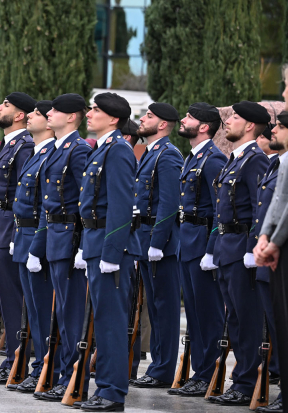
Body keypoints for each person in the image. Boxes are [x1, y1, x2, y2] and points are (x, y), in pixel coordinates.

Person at [77, 92, 141, 411]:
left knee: (112, 321)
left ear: (113, 119)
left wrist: (112, 253)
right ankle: (104, 388)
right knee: (103, 319)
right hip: (95, 240)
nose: (89, 114)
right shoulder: (102, 149)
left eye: (96, 110)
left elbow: (120, 206)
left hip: (109, 245)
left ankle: (112, 392)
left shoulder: (118, 151)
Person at [29, 93, 92, 400]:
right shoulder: (56, 149)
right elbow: (45, 204)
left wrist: (81, 245)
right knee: (62, 314)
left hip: (70, 239)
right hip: (55, 236)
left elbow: (85, 200)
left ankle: (71, 377)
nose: (48, 114)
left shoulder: (78, 149)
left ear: (71, 117)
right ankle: (61, 374)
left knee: (71, 314)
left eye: (55, 110)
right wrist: (37, 246)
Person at [208, 101, 270, 406]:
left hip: (241, 249)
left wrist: (251, 250)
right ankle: (242, 379)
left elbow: (260, 207)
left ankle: (246, 383)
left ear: (249, 126)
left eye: (233, 117)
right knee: (234, 319)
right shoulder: (235, 160)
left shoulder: (255, 161)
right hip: (225, 248)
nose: (227, 121)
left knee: (247, 321)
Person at [169, 102, 228, 396]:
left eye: (189, 117)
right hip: (187, 241)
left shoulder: (213, 160)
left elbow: (221, 209)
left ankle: (209, 374)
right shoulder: (193, 158)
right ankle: (200, 372)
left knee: (208, 313)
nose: (183, 119)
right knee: (193, 313)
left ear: (204, 126)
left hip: (202, 243)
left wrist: (212, 249)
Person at [0, 93, 35, 384]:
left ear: (19, 115)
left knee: (16, 299)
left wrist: (16, 232)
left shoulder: (24, 145)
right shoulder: (9, 145)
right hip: (1, 224)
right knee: (7, 298)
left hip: (12, 225)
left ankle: (18, 361)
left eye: (5, 105)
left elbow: (24, 194)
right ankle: (13, 359)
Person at [130, 103, 183, 388]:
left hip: (161, 243)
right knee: (155, 304)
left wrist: (158, 242)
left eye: (149, 116)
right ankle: (157, 368)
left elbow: (169, 203)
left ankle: (162, 370)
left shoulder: (168, 155)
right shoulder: (151, 153)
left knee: (165, 307)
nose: (142, 118)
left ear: (163, 124)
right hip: (147, 238)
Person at [11, 100, 56, 392]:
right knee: (33, 311)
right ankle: (39, 366)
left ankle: (45, 366)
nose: (30, 116)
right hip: (23, 235)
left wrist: (36, 248)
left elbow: (46, 207)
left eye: (38, 114)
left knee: (42, 310)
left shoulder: (51, 155)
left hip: (38, 239)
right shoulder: (34, 153)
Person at [251, 115, 288, 413]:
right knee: (276, 325)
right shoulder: (277, 162)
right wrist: (263, 238)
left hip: (280, 249)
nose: (273, 130)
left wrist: (271, 241)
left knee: (281, 327)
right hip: (269, 249)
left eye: (281, 126)